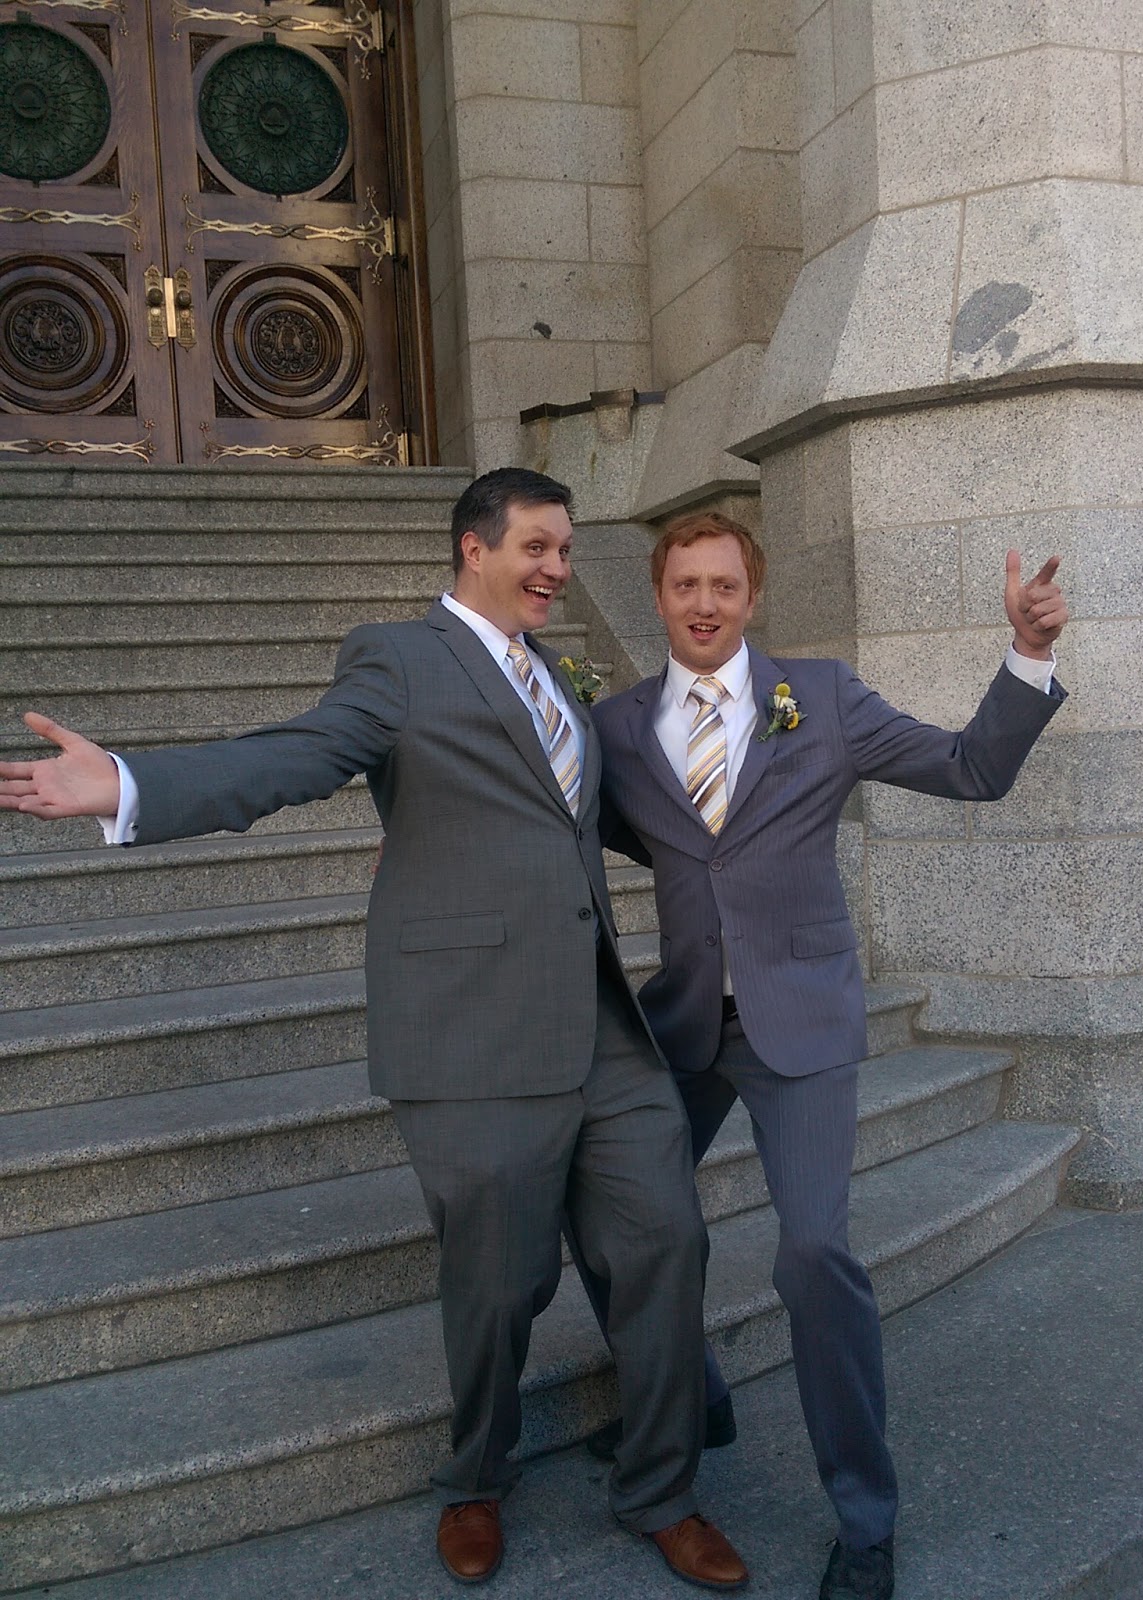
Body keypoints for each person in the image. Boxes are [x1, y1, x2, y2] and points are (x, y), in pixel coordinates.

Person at [0, 470, 749, 1592]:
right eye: (539, 548)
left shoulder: (556, 676)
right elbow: (296, 755)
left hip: (602, 1025)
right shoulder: (397, 659)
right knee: (497, 1285)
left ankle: (663, 1492)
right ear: (474, 547)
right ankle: (477, 1478)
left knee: (667, 1240)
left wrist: (758, 845)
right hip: (473, 1033)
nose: (558, 569)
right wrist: (128, 783)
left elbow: (597, 821)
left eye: (564, 550)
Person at [578, 511, 1068, 1600]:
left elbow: (972, 768)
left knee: (811, 1256)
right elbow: (623, 838)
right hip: (684, 1023)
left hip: (799, 1024)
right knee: (607, 1213)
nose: (704, 603)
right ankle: (692, 1398)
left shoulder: (825, 698)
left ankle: (866, 1518)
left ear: (752, 597)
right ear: (658, 598)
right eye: (685, 585)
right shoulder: (615, 726)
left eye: (724, 585)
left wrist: (1029, 650)